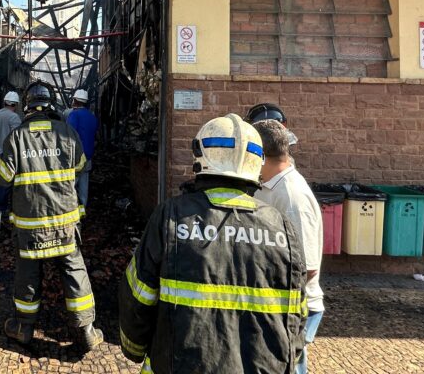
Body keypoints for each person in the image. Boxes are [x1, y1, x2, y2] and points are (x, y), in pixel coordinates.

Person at [119, 113, 307, 373]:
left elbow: (138, 295)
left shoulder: (171, 217)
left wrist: (134, 348)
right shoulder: (282, 227)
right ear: (257, 162)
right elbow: (297, 315)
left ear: (200, 158)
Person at [0, 81, 103, 351]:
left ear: (27, 106)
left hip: (30, 225)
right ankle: (86, 329)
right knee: (73, 270)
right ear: (51, 104)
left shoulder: (17, 136)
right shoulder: (67, 132)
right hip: (65, 221)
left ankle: (24, 328)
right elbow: (79, 166)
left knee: (28, 274)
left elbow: (3, 178)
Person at [253, 119, 324, 374]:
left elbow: (308, 267)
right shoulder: (269, 186)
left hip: (295, 307)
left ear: (260, 155)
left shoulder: (292, 196)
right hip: (279, 305)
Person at [0, 91, 23, 215]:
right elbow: (17, 139)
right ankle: (0, 209)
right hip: (6, 155)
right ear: (16, 104)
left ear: (5, 102)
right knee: (5, 182)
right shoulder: (14, 117)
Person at [66, 89, 98, 209]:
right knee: (84, 183)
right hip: (88, 155)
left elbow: (68, 136)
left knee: (71, 183)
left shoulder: (73, 115)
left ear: (75, 100)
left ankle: (70, 208)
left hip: (75, 156)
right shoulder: (92, 116)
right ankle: (82, 207)